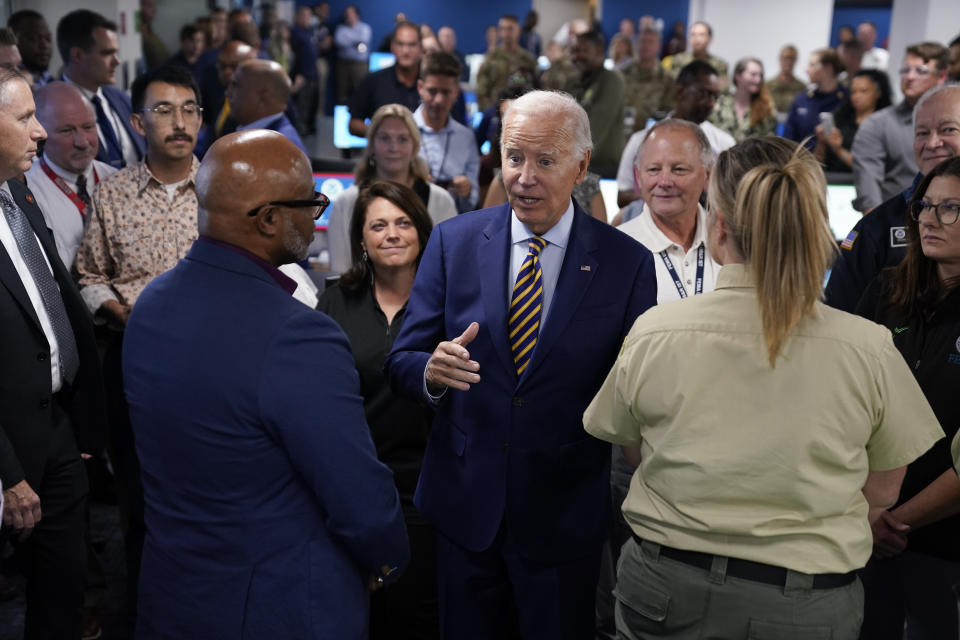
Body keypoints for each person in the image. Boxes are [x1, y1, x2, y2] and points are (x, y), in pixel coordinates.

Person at [584, 136, 943, 640]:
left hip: (665, 591)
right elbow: (882, 490)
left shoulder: (656, 331)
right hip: (803, 603)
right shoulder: (868, 347)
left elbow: (632, 450)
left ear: (720, 224)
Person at [384, 90, 658, 640]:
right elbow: (403, 359)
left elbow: (637, 391)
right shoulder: (453, 241)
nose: (524, 177)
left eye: (545, 161)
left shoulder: (626, 262)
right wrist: (430, 374)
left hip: (563, 517)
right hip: (465, 511)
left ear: (581, 166)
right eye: (514, 158)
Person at [123, 129, 408, 638]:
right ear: (269, 219)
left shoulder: (150, 306)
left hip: (172, 595)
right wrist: (386, 561)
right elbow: (357, 496)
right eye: (310, 202)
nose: (317, 218)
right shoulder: (300, 336)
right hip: (279, 607)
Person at [74, 65, 203, 613]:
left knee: (210, 489)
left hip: (215, 361)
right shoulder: (115, 193)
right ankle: (148, 611)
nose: (180, 122)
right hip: (135, 358)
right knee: (142, 494)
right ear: (136, 122)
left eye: (190, 109)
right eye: (165, 110)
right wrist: (123, 313)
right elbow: (88, 274)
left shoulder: (225, 186)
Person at [0, 66, 106, 640]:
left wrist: (83, 425)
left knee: (61, 595)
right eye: (25, 119)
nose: (39, 133)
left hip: (58, 431)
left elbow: (55, 297)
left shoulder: (16, 189)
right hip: (6, 452)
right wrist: (9, 476)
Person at [318, 180, 439, 639]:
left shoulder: (448, 304)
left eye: (403, 222)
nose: (392, 234)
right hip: (351, 489)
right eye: (379, 225)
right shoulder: (333, 303)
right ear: (361, 240)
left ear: (422, 232)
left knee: (416, 618)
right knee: (351, 618)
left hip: (425, 490)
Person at [853, 155, 960, 640]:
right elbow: (844, 400)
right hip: (862, 528)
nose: (931, 219)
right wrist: (869, 514)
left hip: (943, 542)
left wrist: (896, 522)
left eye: (951, 208)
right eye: (925, 206)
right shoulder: (887, 290)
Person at [825, 84, 960, 313]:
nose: (932, 143)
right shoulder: (875, 229)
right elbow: (837, 320)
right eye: (922, 133)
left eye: (948, 130)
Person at [327, 104, 456, 274]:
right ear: (372, 145)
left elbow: (451, 268)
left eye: (402, 139)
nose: (393, 147)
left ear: (415, 146)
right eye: (384, 138)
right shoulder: (346, 202)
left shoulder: (441, 201)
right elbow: (340, 272)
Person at [616, 60, 734, 207]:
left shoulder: (724, 143)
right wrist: (663, 198)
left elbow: (731, 197)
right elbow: (622, 196)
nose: (710, 103)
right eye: (703, 94)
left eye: (715, 96)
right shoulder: (641, 140)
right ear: (680, 91)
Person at [25, 82, 116, 268]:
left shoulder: (118, 181)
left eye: (88, 127)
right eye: (67, 131)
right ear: (41, 133)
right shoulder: (29, 194)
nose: (82, 142)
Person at [852, 42, 948, 213]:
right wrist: (879, 231)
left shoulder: (955, 120)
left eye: (921, 71)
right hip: (897, 227)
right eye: (905, 70)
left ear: (941, 77)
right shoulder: (877, 124)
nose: (910, 77)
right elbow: (868, 192)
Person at [58, 10, 145, 169]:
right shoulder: (50, 109)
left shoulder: (122, 99)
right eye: (107, 53)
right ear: (77, 55)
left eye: (116, 53)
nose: (117, 61)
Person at [413, 51, 479, 214]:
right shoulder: (401, 132)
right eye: (432, 91)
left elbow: (473, 199)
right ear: (420, 88)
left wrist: (467, 189)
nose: (439, 100)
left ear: (456, 92)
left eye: (446, 92)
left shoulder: (466, 138)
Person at [349, 20, 422, 138]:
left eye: (411, 44)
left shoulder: (431, 86)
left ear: (420, 48)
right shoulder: (373, 81)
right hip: (382, 154)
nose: (406, 51)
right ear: (392, 46)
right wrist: (382, 135)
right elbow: (353, 124)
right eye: (400, 44)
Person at [814, 69, 892, 174]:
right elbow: (817, 166)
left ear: (878, 93)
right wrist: (821, 142)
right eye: (853, 92)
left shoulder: (885, 126)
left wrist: (838, 150)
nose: (857, 97)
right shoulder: (840, 120)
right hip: (832, 182)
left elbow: (869, 168)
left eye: (863, 91)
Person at [569, 30, 625, 172]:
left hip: (602, 169)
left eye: (584, 50)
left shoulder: (611, 80)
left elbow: (594, 131)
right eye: (574, 51)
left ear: (599, 50)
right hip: (575, 165)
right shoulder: (572, 82)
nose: (577, 56)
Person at [227, 59, 307, 155]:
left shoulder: (281, 150)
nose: (228, 93)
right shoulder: (268, 139)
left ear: (263, 96)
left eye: (235, 85)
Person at [783, 48, 846, 150]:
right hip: (802, 161)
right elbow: (788, 140)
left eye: (812, 65)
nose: (806, 70)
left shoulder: (846, 100)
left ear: (828, 68)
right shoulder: (802, 100)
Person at [475, 15, 537, 111]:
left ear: (519, 31)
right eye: (502, 29)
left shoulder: (527, 60)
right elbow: (481, 91)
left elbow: (536, 90)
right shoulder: (491, 58)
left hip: (522, 114)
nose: (506, 33)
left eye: (510, 29)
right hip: (496, 113)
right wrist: (491, 112)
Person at [709, 57, 777, 142]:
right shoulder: (718, 103)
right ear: (738, 76)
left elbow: (770, 142)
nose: (758, 80)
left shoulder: (767, 108)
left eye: (761, 75)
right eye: (753, 74)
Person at [621, 27, 674, 131]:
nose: (645, 46)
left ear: (658, 46)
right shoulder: (622, 73)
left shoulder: (667, 78)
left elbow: (669, 112)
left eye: (650, 42)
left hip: (649, 135)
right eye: (642, 41)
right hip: (620, 133)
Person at [661, 22, 728, 86]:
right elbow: (671, 82)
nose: (696, 39)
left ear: (710, 39)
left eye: (701, 35)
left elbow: (724, 87)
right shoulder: (678, 60)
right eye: (693, 34)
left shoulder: (719, 64)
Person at [290, 6, 320, 136]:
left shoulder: (310, 31)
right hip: (302, 75)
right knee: (302, 106)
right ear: (300, 17)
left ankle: (309, 128)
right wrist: (299, 74)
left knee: (312, 105)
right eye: (307, 16)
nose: (310, 19)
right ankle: (299, 135)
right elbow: (295, 57)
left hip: (313, 74)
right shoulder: (295, 33)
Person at [334, 5, 371, 104]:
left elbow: (363, 40)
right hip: (343, 65)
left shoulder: (365, 28)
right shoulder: (341, 28)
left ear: (356, 15)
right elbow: (339, 41)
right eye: (346, 13)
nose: (347, 16)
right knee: (342, 94)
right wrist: (355, 41)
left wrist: (348, 39)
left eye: (350, 13)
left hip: (359, 65)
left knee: (361, 91)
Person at [8, 10, 52, 88]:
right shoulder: (7, 85)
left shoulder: (55, 83)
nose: (45, 45)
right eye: (33, 38)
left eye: (48, 38)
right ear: (13, 40)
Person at [766, 44, 806, 115]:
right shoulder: (767, 85)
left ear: (795, 61)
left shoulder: (802, 88)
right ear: (780, 59)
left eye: (791, 58)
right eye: (785, 58)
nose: (788, 62)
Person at [139, 0, 167, 71]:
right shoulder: (137, 36)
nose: (154, 9)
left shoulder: (151, 33)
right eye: (149, 5)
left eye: (153, 6)